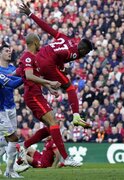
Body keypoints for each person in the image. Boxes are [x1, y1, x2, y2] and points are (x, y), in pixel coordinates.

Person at [19, 2, 93, 128]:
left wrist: (31, 14)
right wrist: (63, 69)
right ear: (83, 51)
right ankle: (76, 116)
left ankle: (12, 75)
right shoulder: (74, 53)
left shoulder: (65, 38)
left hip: (39, 56)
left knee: (28, 74)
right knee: (70, 88)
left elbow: (47, 28)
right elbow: (60, 58)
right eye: (85, 54)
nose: (84, 56)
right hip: (48, 62)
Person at [16, 33, 81, 167]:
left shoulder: (35, 57)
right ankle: (66, 157)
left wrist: (48, 87)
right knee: (54, 122)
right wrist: (48, 82)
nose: (41, 44)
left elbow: (33, 76)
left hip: (36, 94)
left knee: (50, 128)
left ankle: (23, 146)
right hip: (33, 95)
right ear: (34, 42)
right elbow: (29, 76)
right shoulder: (27, 57)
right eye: (39, 42)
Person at [0, 70, 25, 178]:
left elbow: (11, 79)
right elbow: (13, 84)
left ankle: (10, 170)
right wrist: (28, 76)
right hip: (0, 113)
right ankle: (10, 170)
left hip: (3, 111)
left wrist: (26, 76)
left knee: (8, 140)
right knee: (12, 139)